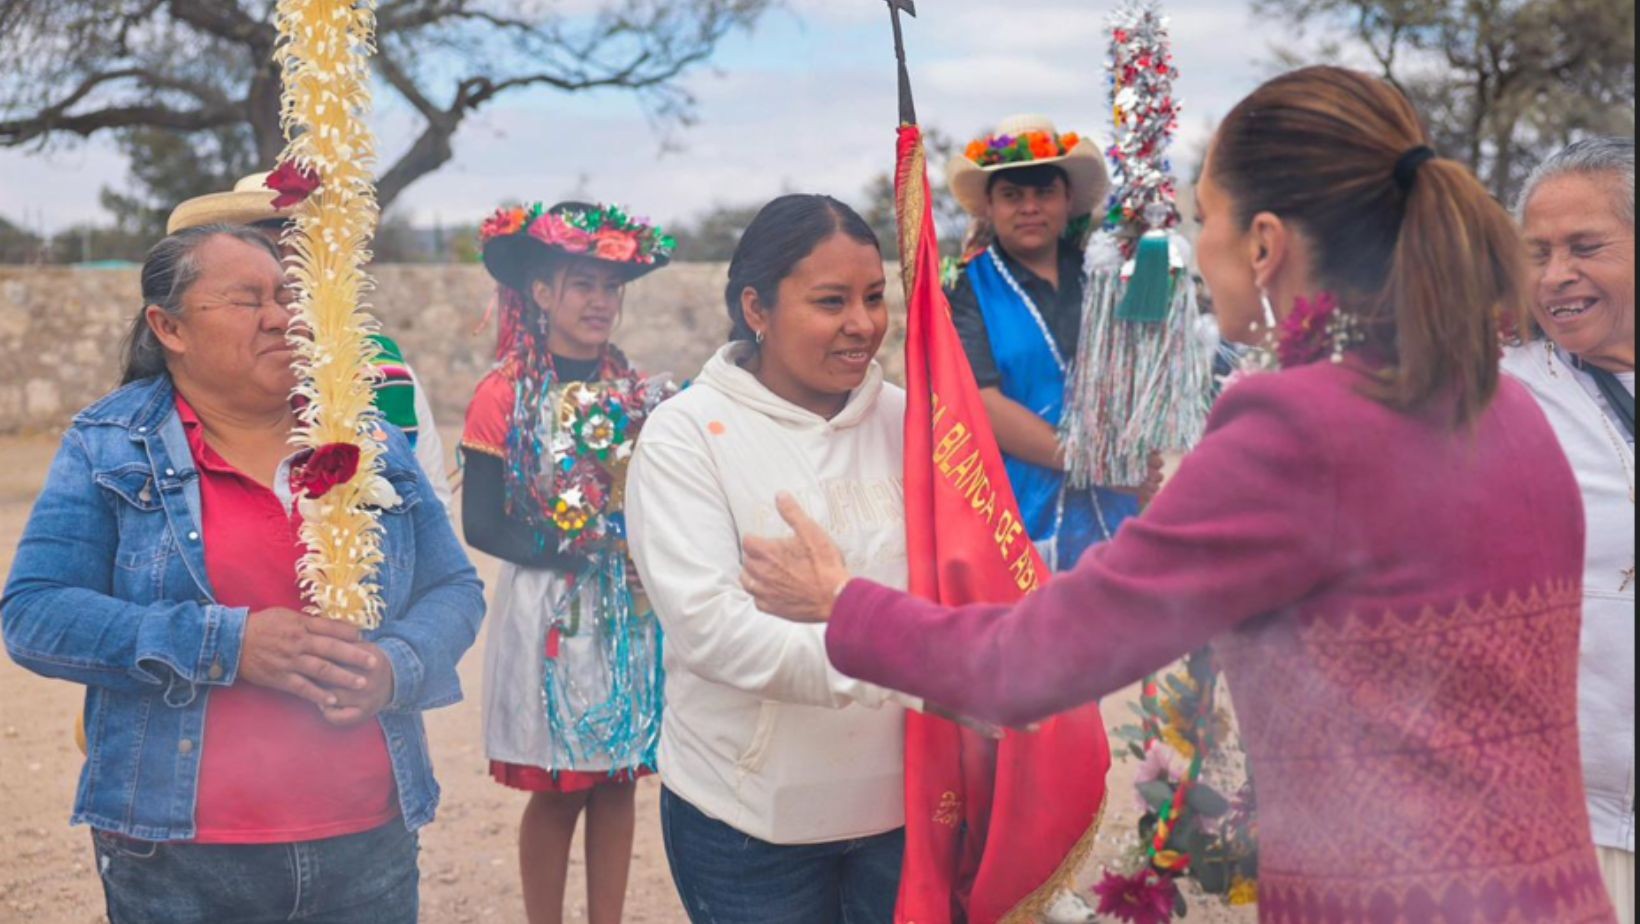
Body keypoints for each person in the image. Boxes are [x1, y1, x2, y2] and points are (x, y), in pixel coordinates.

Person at [740, 67, 1618, 923]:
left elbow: (1026, 664)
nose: (1197, 250)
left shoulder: (1299, 430)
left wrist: (842, 604)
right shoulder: (1504, 403)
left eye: (1206, 221)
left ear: (1265, 244)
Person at [1, 225, 485, 923]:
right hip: (179, 856)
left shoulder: (365, 433)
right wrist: (227, 645)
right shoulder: (109, 445)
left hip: (367, 841)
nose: (281, 317)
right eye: (246, 300)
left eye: (289, 296)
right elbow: (35, 615)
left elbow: (456, 589)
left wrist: (395, 666)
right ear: (169, 327)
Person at [625, 194, 917, 924]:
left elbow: (960, 588)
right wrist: (907, 664)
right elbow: (712, 632)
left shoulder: (909, 422)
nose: (863, 324)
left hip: (904, 811)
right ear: (756, 307)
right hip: (751, 823)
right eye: (831, 301)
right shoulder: (685, 435)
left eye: (875, 297)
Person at [460, 200, 671, 924]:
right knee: (561, 786)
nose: (600, 302)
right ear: (542, 293)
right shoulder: (503, 395)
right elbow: (482, 522)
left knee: (616, 780)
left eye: (611, 288)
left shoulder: (638, 393)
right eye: (582, 284)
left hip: (626, 607)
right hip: (551, 604)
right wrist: (574, 546)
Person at [1503, 136, 1635, 923]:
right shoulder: (1494, 395)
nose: (1556, 275)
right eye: (1538, 253)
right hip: (1561, 822)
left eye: (1587, 247)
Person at [169, 172, 455, 510]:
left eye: (306, 249)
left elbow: (431, 505)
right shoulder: (205, 371)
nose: (290, 268)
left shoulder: (382, 370)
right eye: (270, 250)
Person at [945, 115, 1138, 572]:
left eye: (1044, 192)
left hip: (1122, 510)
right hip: (1022, 515)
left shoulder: (1106, 276)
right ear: (988, 207)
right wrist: (1096, 463)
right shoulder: (965, 289)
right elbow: (983, 403)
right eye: (1012, 195)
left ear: (1067, 199)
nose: (1029, 207)